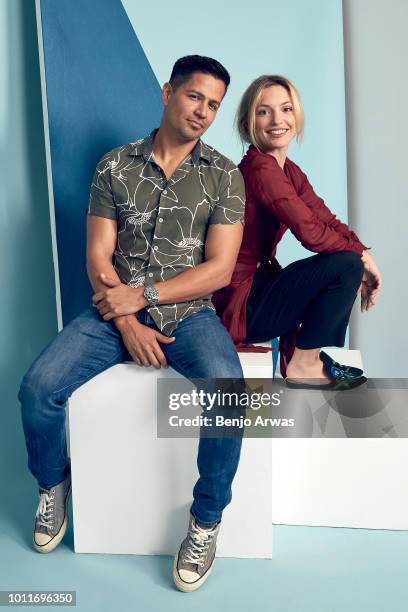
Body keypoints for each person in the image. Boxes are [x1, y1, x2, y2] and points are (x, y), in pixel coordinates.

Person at [18, 55, 246, 593]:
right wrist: (127, 323)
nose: (203, 112)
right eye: (195, 97)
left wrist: (142, 297)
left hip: (189, 315)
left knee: (231, 392)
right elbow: (98, 256)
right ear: (168, 93)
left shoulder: (225, 176)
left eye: (213, 105)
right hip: (109, 315)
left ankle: (207, 520)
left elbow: (218, 270)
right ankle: (52, 485)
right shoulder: (114, 166)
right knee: (37, 389)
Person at [213, 75, 382, 389]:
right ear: (247, 121)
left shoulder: (288, 170)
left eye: (286, 109)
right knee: (345, 264)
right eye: (264, 112)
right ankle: (304, 365)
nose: (278, 120)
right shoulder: (259, 168)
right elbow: (311, 234)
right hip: (241, 303)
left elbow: (325, 218)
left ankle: (305, 357)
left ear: (297, 115)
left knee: (348, 259)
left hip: (261, 286)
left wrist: (364, 252)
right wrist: (359, 257)